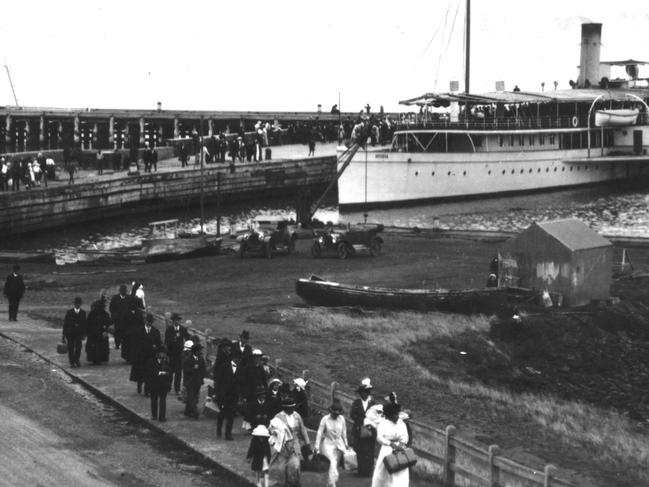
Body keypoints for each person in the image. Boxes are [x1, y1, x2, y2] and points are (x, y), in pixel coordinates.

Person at [269, 393, 311, 487]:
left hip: (294, 446)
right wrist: (275, 432)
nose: (292, 410)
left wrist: (307, 444)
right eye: (289, 408)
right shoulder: (278, 417)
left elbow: (303, 430)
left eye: (293, 408)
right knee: (280, 468)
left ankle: (293, 484)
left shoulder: (297, 416)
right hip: (282, 446)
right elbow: (271, 428)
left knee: (294, 466)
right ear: (285, 408)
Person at [371, 402, 410, 487]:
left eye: (397, 414)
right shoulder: (383, 423)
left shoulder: (401, 423)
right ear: (389, 415)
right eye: (395, 414)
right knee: (382, 473)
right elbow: (379, 438)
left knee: (401, 471)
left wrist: (401, 444)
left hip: (400, 450)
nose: (397, 416)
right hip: (387, 449)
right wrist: (390, 443)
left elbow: (405, 436)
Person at [315, 398, 350, 487]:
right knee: (332, 462)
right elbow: (319, 433)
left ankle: (329, 483)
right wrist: (317, 447)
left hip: (339, 443)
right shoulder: (325, 419)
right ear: (331, 412)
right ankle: (332, 484)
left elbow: (344, 432)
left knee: (335, 465)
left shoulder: (341, 419)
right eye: (334, 414)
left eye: (337, 414)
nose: (336, 416)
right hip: (328, 443)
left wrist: (346, 442)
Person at [129, 312, 162, 395]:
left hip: (151, 357)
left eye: (151, 322)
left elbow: (159, 343)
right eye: (148, 322)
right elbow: (134, 344)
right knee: (140, 373)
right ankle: (139, 385)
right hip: (141, 356)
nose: (149, 324)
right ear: (145, 321)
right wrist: (135, 356)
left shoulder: (155, 331)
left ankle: (147, 391)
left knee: (149, 375)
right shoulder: (138, 331)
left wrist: (157, 348)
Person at [350, 377, 377, 476]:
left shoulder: (373, 404)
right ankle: (361, 470)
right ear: (360, 393)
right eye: (363, 392)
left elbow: (377, 416)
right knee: (359, 449)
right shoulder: (356, 403)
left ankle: (369, 471)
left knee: (369, 450)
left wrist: (370, 422)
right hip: (359, 428)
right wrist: (362, 420)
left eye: (366, 392)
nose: (365, 394)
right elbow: (352, 415)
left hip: (370, 430)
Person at [213, 354, 241, 438]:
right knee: (221, 414)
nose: (239, 360)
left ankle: (228, 434)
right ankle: (219, 431)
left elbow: (241, 382)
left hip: (234, 395)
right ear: (234, 357)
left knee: (231, 415)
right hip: (224, 395)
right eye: (238, 358)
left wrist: (239, 394)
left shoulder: (240, 368)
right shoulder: (224, 366)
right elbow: (218, 380)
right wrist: (218, 394)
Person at [164, 312, 191, 396]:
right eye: (175, 320)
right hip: (171, 354)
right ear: (173, 321)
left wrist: (187, 347)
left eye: (178, 320)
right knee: (170, 372)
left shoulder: (183, 329)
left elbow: (188, 338)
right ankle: (168, 387)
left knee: (178, 373)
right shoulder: (169, 329)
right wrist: (173, 340)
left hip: (179, 354)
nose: (177, 322)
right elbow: (166, 341)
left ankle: (177, 389)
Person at [146, 345, 173, 422]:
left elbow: (170, 373)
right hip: (154, 384)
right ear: (158, 353)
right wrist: (159, 373)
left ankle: (162, 416)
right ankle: (154, 415)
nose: (163, 355)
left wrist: (169, 384)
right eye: (162, 353)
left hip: (164, 384)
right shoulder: (151, 361)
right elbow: (150, 373)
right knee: (154, 400)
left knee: (163, 401)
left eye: (164, 353)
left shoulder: (167, 361)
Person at [183, 339, 206, 419]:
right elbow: (185, 370)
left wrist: (202, 377)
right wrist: (194, 368)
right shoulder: (188, 359)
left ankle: (187, 411)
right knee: (192, 397)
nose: (200, 351)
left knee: (194, 396)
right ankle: (195, 412)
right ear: (195, 351)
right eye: (199, 350)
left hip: (197, 381)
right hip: (190, 381)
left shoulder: (201, 359)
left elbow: (203, 369)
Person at [62, 297, 87, 368]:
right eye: (76, 303)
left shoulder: (83, 313)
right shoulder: (69, 312)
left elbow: (85, 324)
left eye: (79, 303)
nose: (77, 305)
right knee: (71, 348)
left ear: (80, 304)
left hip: (79, 333)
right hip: (71, 333)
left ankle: (77, 360)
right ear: (74, 304)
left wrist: (84, 333)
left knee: (78, 347)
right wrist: (64, 335)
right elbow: (66, 324)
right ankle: (72, 362)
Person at [85, 296, 110, 365]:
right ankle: (95, 359)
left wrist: (105, 329)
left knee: (101, 347)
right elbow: (88, 323)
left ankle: (99, 358)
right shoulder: (92, 314)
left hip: (100, 333)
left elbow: (107, 323)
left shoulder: (104, 314)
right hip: (94, 333)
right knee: (95, 347)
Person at [109, 284, 133, 352]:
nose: (123, 292)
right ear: (120, 291)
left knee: (126, 333)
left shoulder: (129, 298)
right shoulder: (115, 298)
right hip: (118, 319)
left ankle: (126, 345)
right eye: (122, 291)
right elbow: (111, 308)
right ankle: (117, 344)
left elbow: (132, 307)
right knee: (117, 332)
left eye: (125, 291)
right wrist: (114, 315)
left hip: (127, 319)